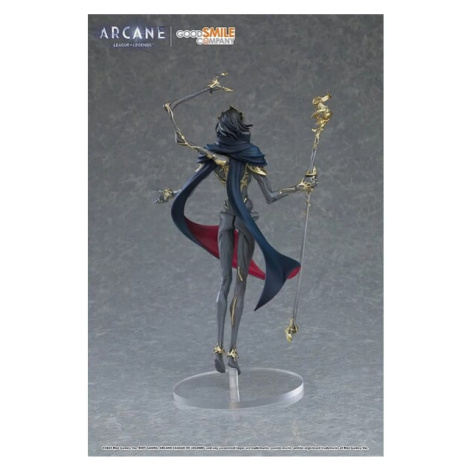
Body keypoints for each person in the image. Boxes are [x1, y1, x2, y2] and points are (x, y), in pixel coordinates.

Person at [157, 106, 316, 374]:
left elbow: (188, 184)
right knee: (239, 285)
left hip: (226, 219)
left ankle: (219, 348)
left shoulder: (216, 156)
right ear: (237, 127)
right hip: (243, 219)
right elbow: (271, 197)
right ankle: (231, 351)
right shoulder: (249, 157)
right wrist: (299, 187)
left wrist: (172, 194)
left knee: (225, 282)